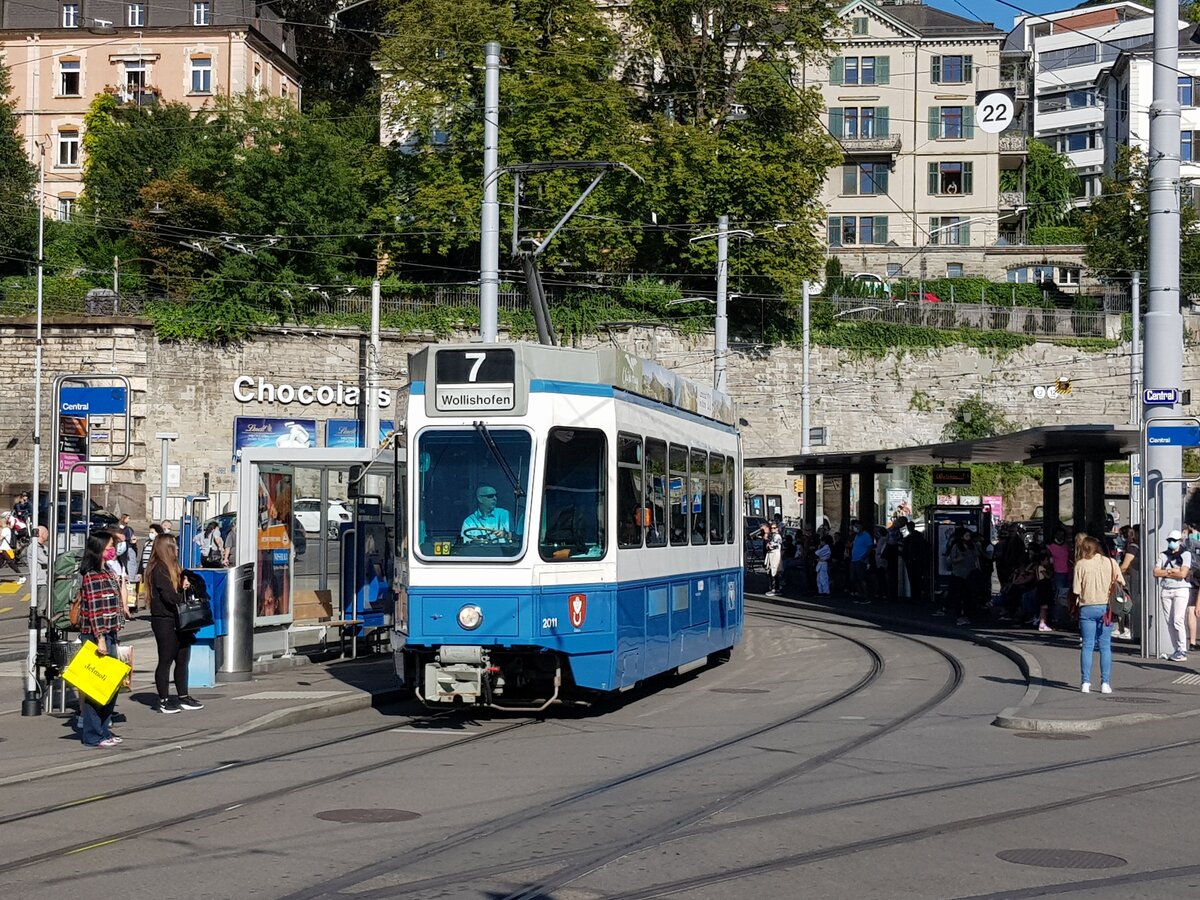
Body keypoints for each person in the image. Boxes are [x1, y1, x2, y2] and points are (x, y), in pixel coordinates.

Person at [76, 530, 127, 748]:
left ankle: (103, 731)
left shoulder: (107, 571)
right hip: (98, 636)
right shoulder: (92, 575)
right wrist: (100, 639)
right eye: (108, 548)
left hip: (110, 633)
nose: (112, 551)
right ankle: (93, 735)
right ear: (98, 550)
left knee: (110, 686)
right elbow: (96, 611)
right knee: (97, 687)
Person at [144, 533, 204, 714]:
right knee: (166, 659)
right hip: (165, 619)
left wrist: (186, 585)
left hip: (179, 619)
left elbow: (176, 592)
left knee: (183, 658)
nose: (177, 548)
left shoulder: (175, 567)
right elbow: (168, 596)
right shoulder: (159, 568)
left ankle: (183, 696)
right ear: (167, 548)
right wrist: (182, 598)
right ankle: (163, 699)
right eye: (174, 545)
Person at [1073, 535, 1121, 693]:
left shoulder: (1080, 565)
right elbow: (1122, 582)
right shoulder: (1111, 563)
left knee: (1087, 645)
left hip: (1087, 607)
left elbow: (1076, 590)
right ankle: (1105, 683)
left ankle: (1085, 682)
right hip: (1106, 607)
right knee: (1105, 646)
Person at [1153, 529, 1192, 662]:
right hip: (1166, 590)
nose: (1171, 543)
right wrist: (1172, 571)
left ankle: (1182, 649)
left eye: (1174, 541)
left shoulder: (1185, 554)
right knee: (1169, 622)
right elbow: (1156, 572)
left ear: (1180, 541)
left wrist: (1166, 571)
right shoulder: (1163, 555)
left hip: (1181, 589)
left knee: (1177, 619)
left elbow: (1183, 574)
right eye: (1170, 540)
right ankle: (1176, 649)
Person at [946, 527, 980, 626]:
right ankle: (959, 615)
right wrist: (959, 559)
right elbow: (952, 560)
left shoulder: (972, 546)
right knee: (958, 595)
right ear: (962, 537)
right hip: (958, 574)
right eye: (966, 535)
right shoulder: (956, 546)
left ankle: (967, 614)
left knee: (968, 596)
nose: (968, 537)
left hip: (970, 574)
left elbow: (976, 558)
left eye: (969, 535)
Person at [1117, 525, 1140, 642]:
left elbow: (1125, 566)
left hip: (1129, 579)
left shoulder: (1132, 548)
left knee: (1125, 603)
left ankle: (1126, 628)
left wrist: (1116, 574)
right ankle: (1129, 629)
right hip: (1135, 579)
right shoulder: (1140, 547)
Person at [902, 520, 930, 605]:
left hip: (914, 561)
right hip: (915, 561)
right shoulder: (917, 536)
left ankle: (916, 596)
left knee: (914, 579)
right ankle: (916, 596)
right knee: (916, 579)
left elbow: (910, 549)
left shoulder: (913, 537)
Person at [850, 523, 874, 603]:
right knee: (854, 578)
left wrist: (864, 557)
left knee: (861, 578)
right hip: (854, 559)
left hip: (860, 560)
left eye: (856, 526)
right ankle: (861, 595)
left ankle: (866, 596)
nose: (855, 528)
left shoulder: (866, 535)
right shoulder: (857, 536)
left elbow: (870, 547)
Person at [0, 515, 25, 583]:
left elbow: (0, 538)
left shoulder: (5, 530)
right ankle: (22, 577)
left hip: (5, 550)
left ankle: (22, 577)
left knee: (11, 563)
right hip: (2, 550)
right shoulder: (5, 529)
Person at [118, 514, 139, 586]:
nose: (129, 520)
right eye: (128, 518)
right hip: (128, 547)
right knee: (129, 564)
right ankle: (130, 580)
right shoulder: (128, 529)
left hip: (122, 548)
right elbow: (131, 538)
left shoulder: (121, 528)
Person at [764, 523, 782, 596]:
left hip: (775, 555)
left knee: (774, 571)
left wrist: (769, 544)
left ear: (777, 528)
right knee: (772, 571)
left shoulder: (777, 536)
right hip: (771, 555)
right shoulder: (773, 536)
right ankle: (774, 588)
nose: (772, 529)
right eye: (771, 528)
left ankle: (775, 589)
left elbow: (776, 545)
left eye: (774, 528)